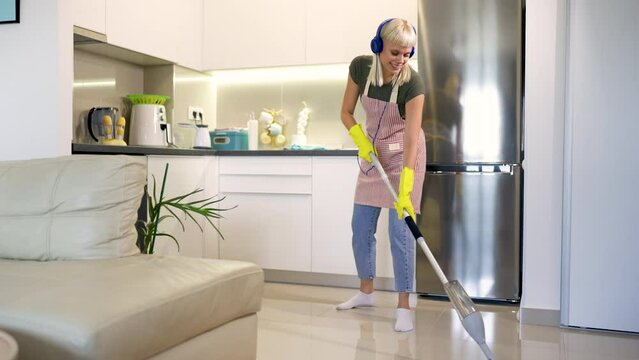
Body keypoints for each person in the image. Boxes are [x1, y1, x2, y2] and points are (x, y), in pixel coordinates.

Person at [337, 18, 426, 332]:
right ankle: (366, 292)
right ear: (378, 46)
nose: (400, 59)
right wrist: (360, 139)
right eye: (394, 52)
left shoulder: (412, 84)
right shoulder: (361, 68)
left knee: (401, 235)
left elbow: (413, 138)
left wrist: (406, 187)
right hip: (373, 155)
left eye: (406, 53)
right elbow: (346, 111)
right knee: (360, 228)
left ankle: (404, 305)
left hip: (405, 157)